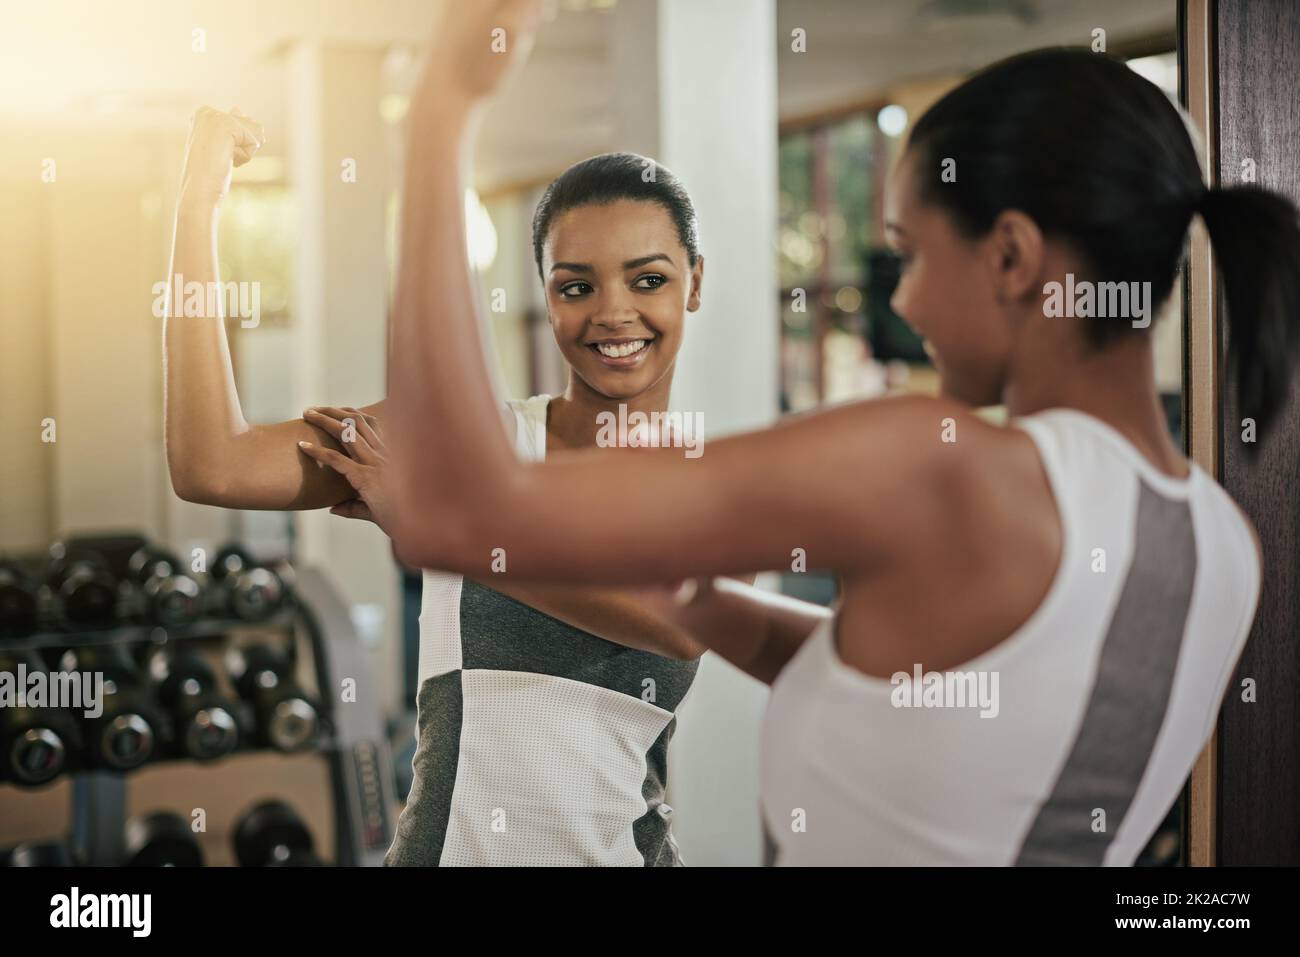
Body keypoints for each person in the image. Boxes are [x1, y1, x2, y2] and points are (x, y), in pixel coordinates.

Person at [386, 1, 1300, 865]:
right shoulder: (1224, 542)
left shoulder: (934, 463)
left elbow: (462, 512)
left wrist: (440, 116)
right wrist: (698, 603)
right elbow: (938, 706)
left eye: (910, 253)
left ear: (1013, 258)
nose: (900, 298)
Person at [163, 105, 732, 865]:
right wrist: (196, 206)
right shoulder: (468, 444)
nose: (613, 313)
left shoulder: (722, 485)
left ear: (693, 283)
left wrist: (452, 530)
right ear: (545, 293)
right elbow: (214, 462)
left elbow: (681, 619)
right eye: (575, 287)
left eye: (649, 279)